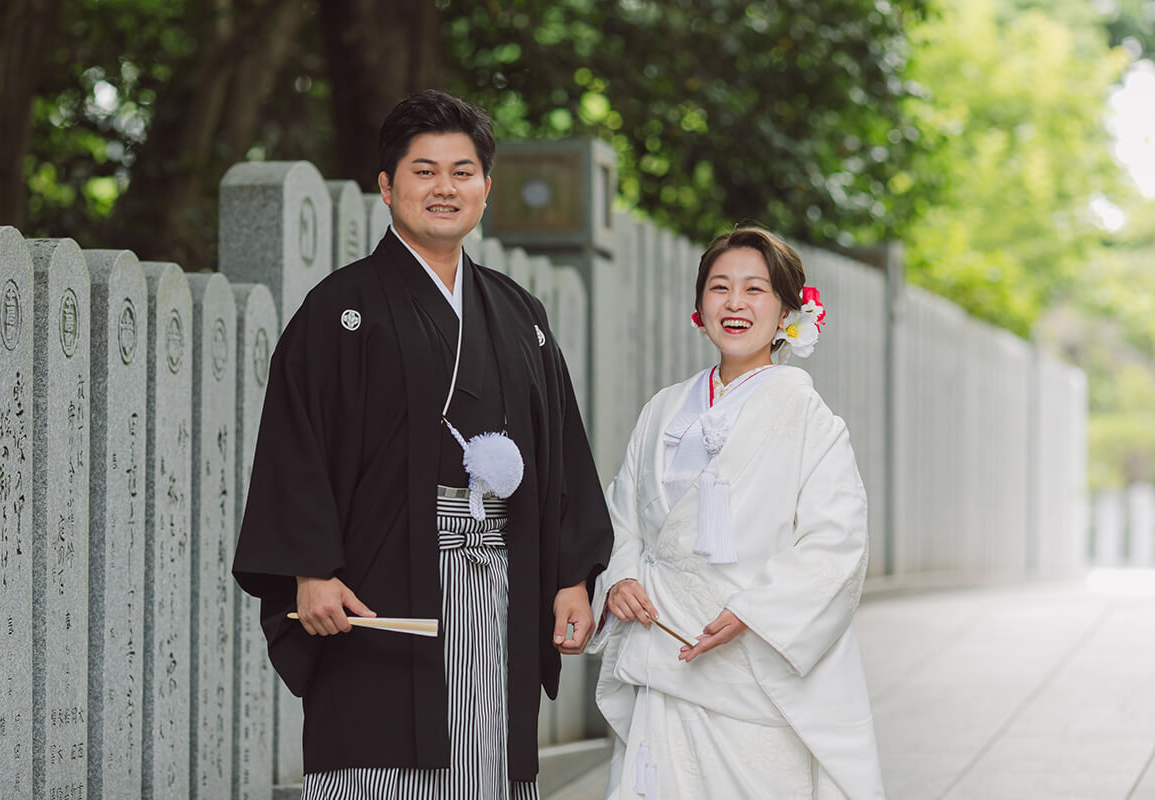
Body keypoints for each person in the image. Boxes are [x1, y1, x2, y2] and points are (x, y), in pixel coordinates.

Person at [232, 89, 613, 799]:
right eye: (424, 171)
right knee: (379, 757)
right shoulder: (341, 309)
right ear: (387, 186)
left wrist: (571, 576)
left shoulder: (519, 314)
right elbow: (295, 444)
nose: (445, 188)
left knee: (486, 756)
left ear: (486, 188)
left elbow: (561, 454)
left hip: (500, 576)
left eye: (463, 172)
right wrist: (310, 568)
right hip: (379, 582)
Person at [589, 227, 884, 798]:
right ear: (700, 306)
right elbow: (623, 512)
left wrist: (755, 612)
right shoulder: (663, 408)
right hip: (663, 639)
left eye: (755, 289)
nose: (735, 303)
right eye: (720, 287)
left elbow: (836, 539)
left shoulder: (807, 414)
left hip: (750, 654)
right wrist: (620, 577)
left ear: (786, 311)